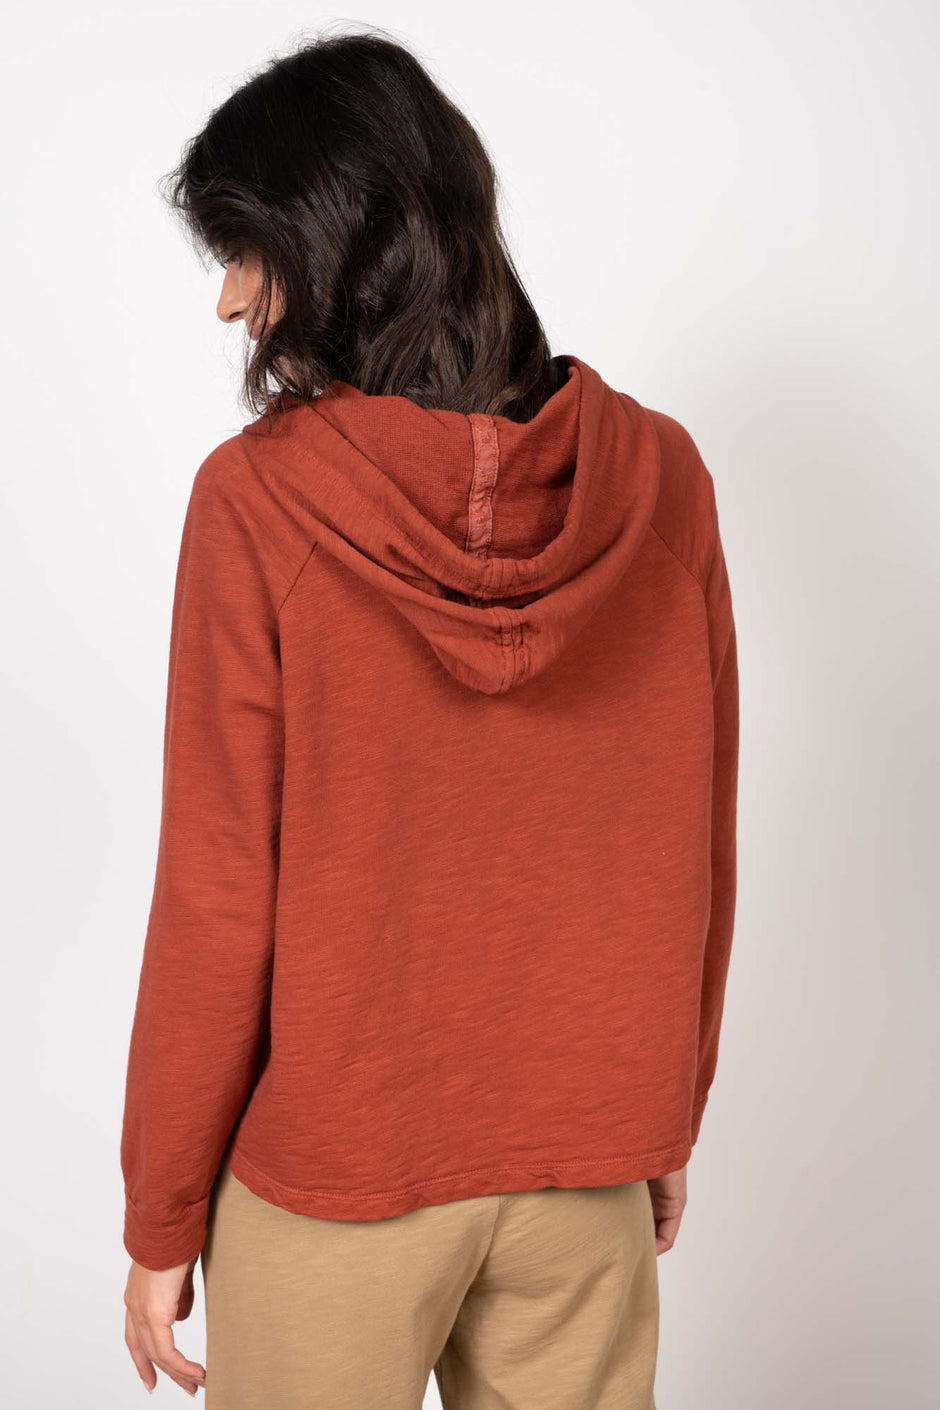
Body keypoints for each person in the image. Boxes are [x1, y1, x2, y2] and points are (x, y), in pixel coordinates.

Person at [119, 29, 739, 1410]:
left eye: (248, 249)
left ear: (337, 240)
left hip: (336, 1183)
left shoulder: (257, 505)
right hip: (583, 1170)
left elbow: (218, 893)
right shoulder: (663, 481)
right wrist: (659, 1110)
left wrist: (162, 1213)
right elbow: (699, 832)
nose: (230, 299)